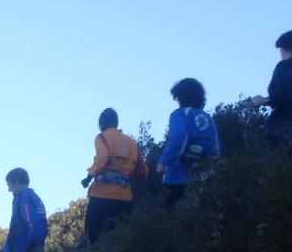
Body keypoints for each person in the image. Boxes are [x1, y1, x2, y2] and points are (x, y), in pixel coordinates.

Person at [81, 108, 147, 243]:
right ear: (116, 123)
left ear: (101, 124)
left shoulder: (102, 137)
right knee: (119, 240)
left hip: (101, 195)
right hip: (124, 197)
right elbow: (142, 171)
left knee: (91, 236)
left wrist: (88, 177)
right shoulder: (131, 143)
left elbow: (102, 159)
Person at [158, 78, 221, 208]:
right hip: (205, 175)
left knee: (170, 214)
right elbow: (216, 147)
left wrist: (163, 161)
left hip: (179, 174)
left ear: (180, 96)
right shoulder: (208, 118)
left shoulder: (179, 114)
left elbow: (178, 138)